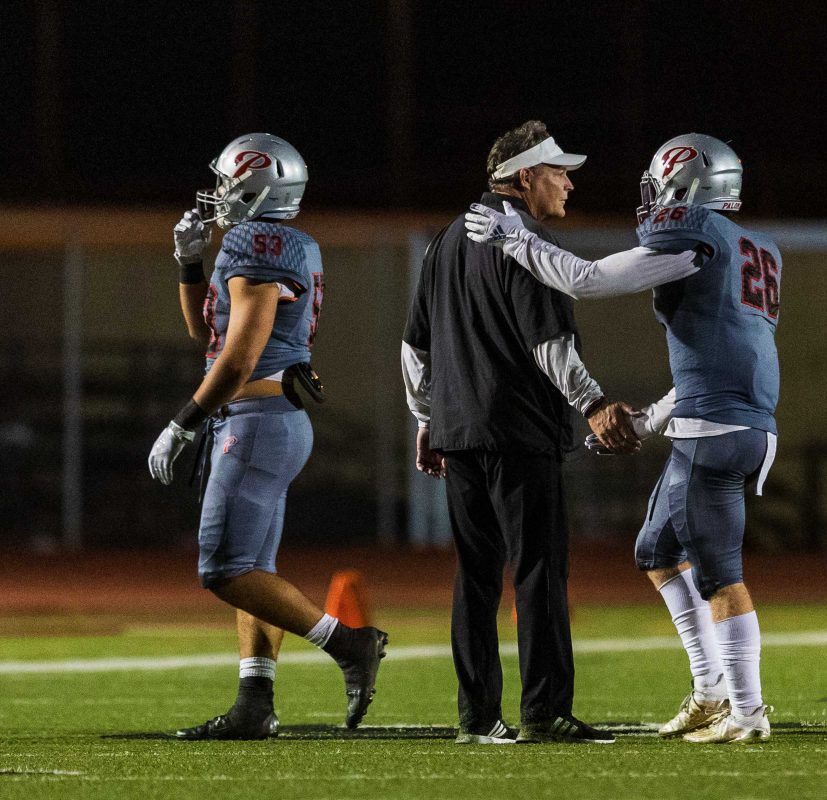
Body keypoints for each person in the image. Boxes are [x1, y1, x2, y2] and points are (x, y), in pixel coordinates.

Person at [465, 133, 780, 743]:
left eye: (663, 184)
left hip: (714, 429)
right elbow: (718, 359)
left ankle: (748, 712)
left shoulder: (696, 236)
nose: (654, 198)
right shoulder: (753, 246)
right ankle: (712, 692)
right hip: (729, 418)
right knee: (656, 552)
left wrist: (515, 238)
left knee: (719, 575)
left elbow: (586, 279)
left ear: (689, 185)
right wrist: (650, 420)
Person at [402, 120, 637, 745]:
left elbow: (414, 346)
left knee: (475, 575)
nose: (568, 184)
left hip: (459, 432)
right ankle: (544, 711)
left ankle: (477, 716)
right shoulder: (521, 240)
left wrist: (426, 420)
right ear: (526, 177)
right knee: (539, 570)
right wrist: (591, 406)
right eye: (560, 173)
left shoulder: (446, 241)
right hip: (518, 432)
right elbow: (549, 342)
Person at [149, 133, 388, 740]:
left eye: (230, 182)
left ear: (257, 186)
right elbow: (210, 338)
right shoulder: (284, 241)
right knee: (254, 566)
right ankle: (255, 700)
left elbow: (237, 358)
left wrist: (182, 423)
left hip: (254, 422)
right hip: (266, 421)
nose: (221, 194)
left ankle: (349, 644)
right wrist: (189, 266)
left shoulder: (257, 241)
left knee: (224, 568)